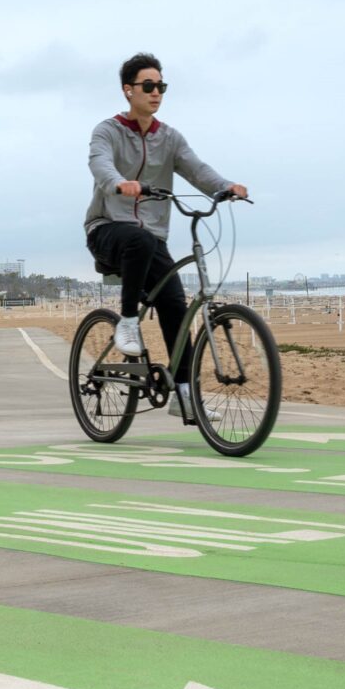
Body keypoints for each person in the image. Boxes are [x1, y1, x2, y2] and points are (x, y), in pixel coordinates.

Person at [84, 53, 247, 424]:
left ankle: (186, 395)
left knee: (176, 304)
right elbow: (100, 162)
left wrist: (225, 187)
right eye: (148, 86)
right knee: (139, 242)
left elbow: (196, 168)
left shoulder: (169, 138)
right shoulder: (107, 131)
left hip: (151, 237)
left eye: (161, 86)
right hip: (107, 229)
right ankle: (127, 322)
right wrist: (118, 184)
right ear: (129, 91)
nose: (156, 92)